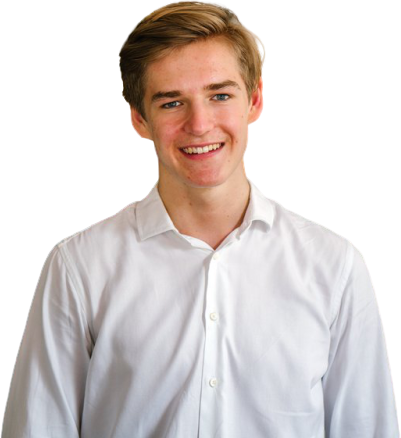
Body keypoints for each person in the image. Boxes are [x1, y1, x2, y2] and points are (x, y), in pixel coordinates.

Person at [2, 2, 399, 437]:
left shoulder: (335, 265)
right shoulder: (79, 266)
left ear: (254, 100)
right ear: (139, 119)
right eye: (172, 102)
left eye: (220, 96)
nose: (199, 124)